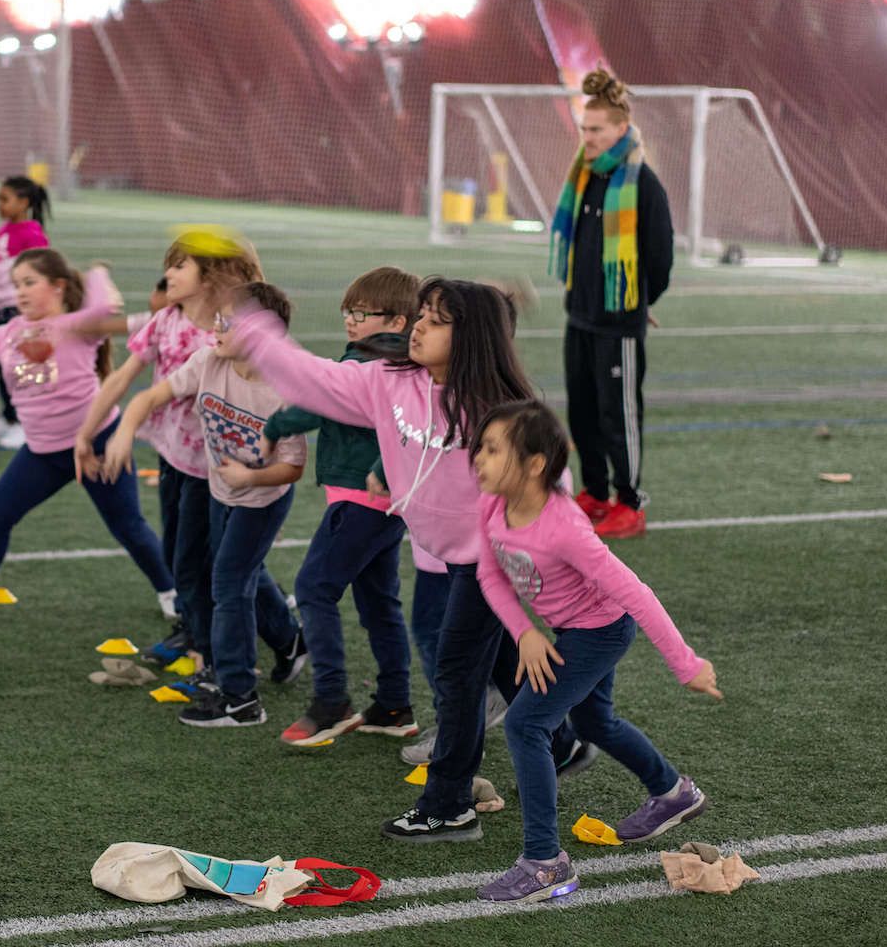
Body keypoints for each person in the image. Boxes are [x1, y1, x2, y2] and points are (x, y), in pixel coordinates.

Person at [224, 277, 588, 840]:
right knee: (482, 662)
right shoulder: (389, 381)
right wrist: (255, 329)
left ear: (470, 337)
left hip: (492, 559)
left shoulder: (500, 409)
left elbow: (552, 481)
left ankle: (449, 803)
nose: (417, 327)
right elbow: (312, 379)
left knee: (458, 668)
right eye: (420, 315)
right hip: (441, 551)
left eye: (436, 320)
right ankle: (562, 740)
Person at [469, 399, 719, 903]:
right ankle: (673, 793)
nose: (478, 458)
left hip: (601, 631)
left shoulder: (566, 529)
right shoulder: (492, 505)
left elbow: (636, 594)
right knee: (593, 723)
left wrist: (686, 664)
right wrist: (524, 632)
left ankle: (545, 864)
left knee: (525, 723)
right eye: (480, 447)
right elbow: (488, 575)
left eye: (493, 449)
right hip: (566, 629)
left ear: (535, 464)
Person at [0, 251, 173, 628]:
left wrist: (99, 269)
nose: (19, 291)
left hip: (98, 442)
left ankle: (171, 593)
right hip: (42, 453)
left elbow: (103, 303)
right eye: (15, 284)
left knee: (128, 526)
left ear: (58, 287)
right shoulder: (8, 334)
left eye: (29, 282)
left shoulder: (76, 326)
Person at [104, 282, 310, 729]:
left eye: (228, 322)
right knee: (237, 572)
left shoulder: (282, 389)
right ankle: (289, 638)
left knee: (229, 582)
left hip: (261, 498)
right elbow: (150, 396)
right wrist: (123, 433)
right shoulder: (209, 359)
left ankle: (239, 696)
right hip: (222, 490)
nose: (215, 327)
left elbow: (292, 469)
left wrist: (251, 476)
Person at [76, 232, 262, 660]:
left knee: (207, 562)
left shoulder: (226, 334)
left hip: (214, 468)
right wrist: (86, 433)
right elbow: (122, 378)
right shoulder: (165, 321)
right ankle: (196, 631)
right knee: (182, 556)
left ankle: (236, 643)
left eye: (180, 266)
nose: (168, 274)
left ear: (212, 276)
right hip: (174, 457)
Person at [266, 267, 422, 750]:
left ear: (397, 321)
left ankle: (331, 700)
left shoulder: (369, 364)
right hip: (383, 501)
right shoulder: (395, 362)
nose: (350, 321)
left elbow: (318, 401)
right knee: (379, 602)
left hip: (361, 499)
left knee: (314, 587)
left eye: (361, 313)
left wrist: (274, 425)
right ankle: (394, 704)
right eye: (347, 312)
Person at [550, 69, 673, 540]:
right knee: (582, 411)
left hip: (617, 325)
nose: (589, 137)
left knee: (618, 416)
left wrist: (640, 302)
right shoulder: (584, 178)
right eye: (585, 129)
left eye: (597, 130)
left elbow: (661, 256)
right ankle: (596, 492)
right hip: (578, 318)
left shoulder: (643, 185)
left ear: (621, 129)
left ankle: (630, 501)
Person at [0, 175, 51, 449]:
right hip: (3, 310)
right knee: (3, 367)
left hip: (21, 312)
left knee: (22, 369)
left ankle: (25, 424)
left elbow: (41, 275)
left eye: (5, 199)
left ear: (24, 203)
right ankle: (8, 418)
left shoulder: (31, 235)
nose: (0, 204)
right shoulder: (5, 230)